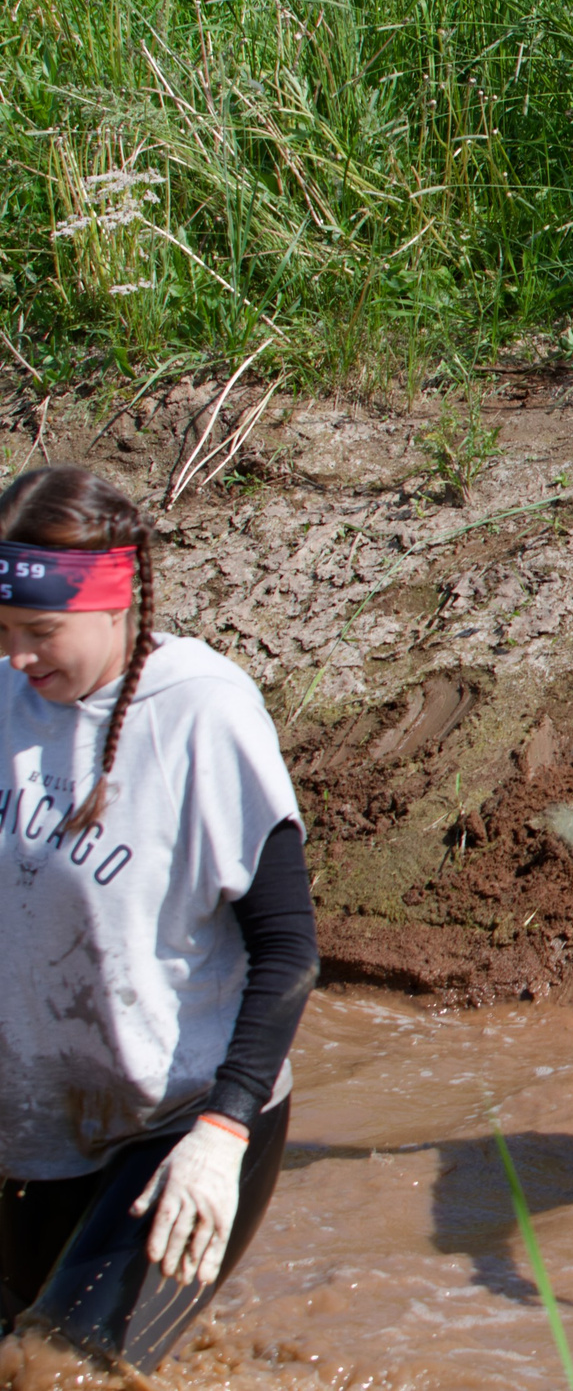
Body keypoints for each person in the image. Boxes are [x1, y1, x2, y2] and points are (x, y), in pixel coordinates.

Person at [0, 467, 315, 1382]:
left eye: (40, 633)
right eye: (2, 630)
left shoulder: (202, 712)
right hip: (32, 1131)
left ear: (116, 601)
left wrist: (222, 1132)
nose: (18, 658)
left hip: (181, 1128)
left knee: (58, 1371)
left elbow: (288, 949)